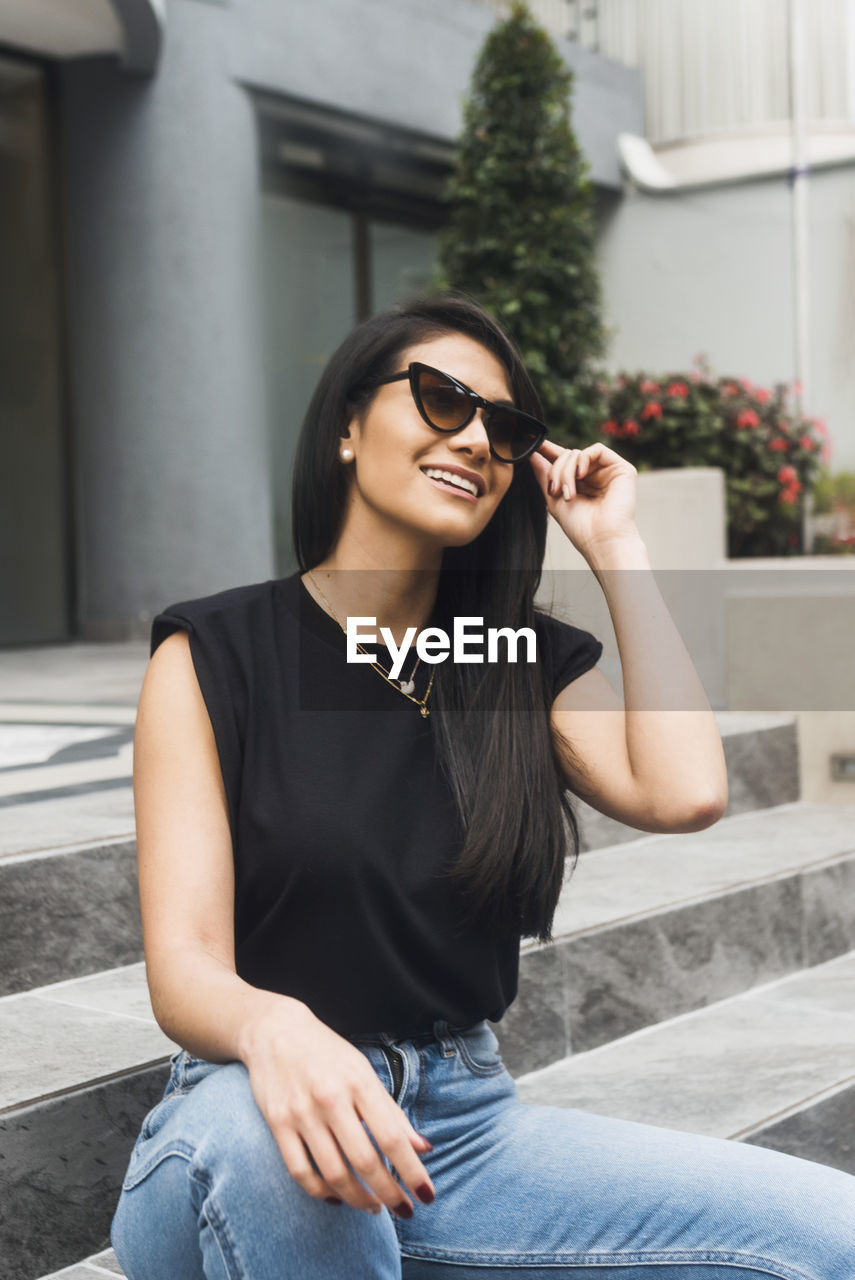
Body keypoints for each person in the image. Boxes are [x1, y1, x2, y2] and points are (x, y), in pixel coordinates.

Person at [111, 294, 855, 1279]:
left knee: (830, 1232)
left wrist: (616, 545)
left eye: (503, 428)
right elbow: (186, 963)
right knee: (287, 1161)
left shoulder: (509, 658)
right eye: (440, 400)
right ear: (345, 424)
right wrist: (276, 1027)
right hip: (238, 1114)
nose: (475, 440)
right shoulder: (218, 650)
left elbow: (684, 791)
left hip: (457, 1133)